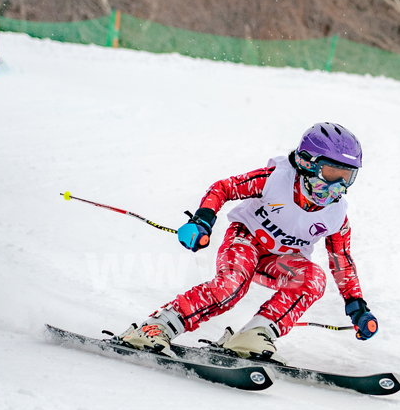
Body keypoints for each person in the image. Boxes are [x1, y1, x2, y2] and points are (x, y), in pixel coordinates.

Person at [118, 122, 379, 360]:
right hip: (245, 240)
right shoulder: (274, 180)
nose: (337, 188)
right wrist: (203, 220)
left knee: (313, 278)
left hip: (280, 261)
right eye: (331, 173)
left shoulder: (335, 215)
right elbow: (224, 187)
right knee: (232, 286)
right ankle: (158, 325)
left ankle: (255, 334)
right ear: (306, 162)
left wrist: (356, 305)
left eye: (347, 178)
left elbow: (341, 259)